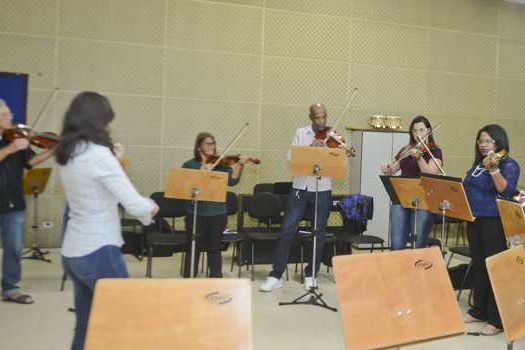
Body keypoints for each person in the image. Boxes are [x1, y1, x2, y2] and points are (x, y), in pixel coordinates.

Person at [56, 92, 159, 350]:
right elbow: (133, 203)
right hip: (98, 249)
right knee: (125, 322)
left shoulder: (69, 154)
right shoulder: (100, 156)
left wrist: (112, 161)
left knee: (86, 326)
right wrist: (152, 208)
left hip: (73, 252)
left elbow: (95, 190)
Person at [260, 103, 334, 292]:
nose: (321, 121)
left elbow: (339, 159)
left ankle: (311, 274)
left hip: (323, 188)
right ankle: (276, 275)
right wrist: (310, 147)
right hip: (301, 187)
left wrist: (338, 151)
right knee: (287, 230)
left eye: (323, 117)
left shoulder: (333, 135)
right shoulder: (301, 133)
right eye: (317, 117)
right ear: (311, 118)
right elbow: (291, 157)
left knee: (318, 233)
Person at [463, 124, 519, 336]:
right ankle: (479, 310)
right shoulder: (478, 164)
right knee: (478, 265)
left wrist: (493, 169)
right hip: (474, 219)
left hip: (494, 222)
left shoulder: (509, 164)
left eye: (487, 141)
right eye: (480, 141)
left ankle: (496, 319)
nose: (483, 145)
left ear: (498, 142)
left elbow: (505, 191)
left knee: (494, 268)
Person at [0, 99, 54, 304]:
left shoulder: (14, 137)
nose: (11, 118)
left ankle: (11, 288)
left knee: (13, 247)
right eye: (6, 115)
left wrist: (53, 150)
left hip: (13, 202)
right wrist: (10, 149)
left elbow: (30, 162)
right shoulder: (13, 143)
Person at [182, 132, 245, 278]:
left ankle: (215, 279)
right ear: (199, 147)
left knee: (215, 249)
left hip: (217, 214)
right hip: (195, 213)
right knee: (193, 248)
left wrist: (240, 165)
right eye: (208, 143)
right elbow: (184, 188)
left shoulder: (221, 165)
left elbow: (233, 181)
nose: (213, 146)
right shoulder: (189, 165)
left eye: (214, 143)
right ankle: (189, 279)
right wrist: (200, 172)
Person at [381, 116, 443, 250]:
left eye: (421, 130)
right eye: (414, 131)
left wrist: (420, 159)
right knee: (397, 243)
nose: (418, 134)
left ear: (428, 131)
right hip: (402, 198)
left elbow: (431, 173)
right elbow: (393, 169)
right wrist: (387, 168)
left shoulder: (435, 152)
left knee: (418, 243)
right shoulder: (407, 149)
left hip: (424, 202)